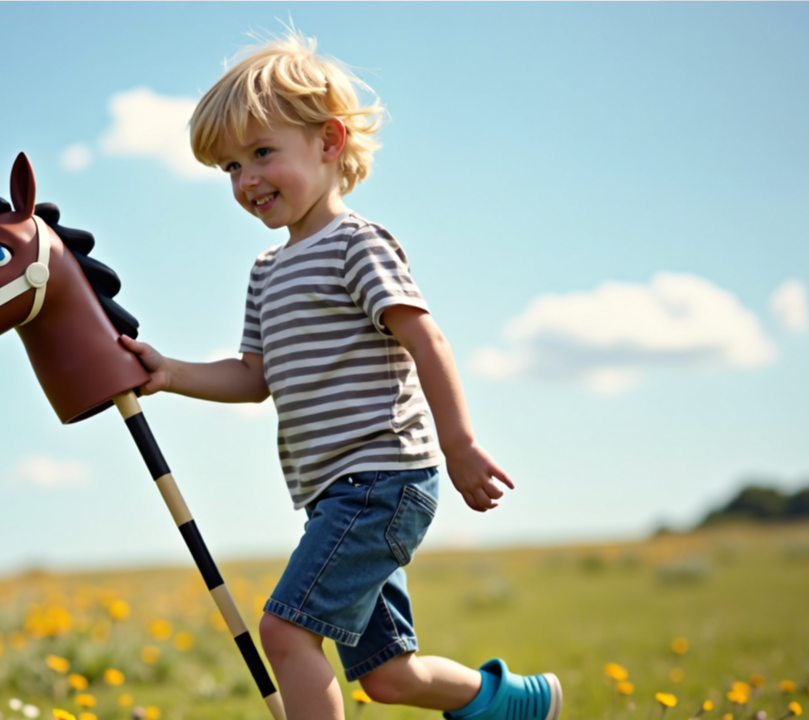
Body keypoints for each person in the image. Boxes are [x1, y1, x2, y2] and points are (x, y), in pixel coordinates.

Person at [119, 31, 562, 720]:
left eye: (262, 153)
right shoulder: (266, 272)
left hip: (382, 480)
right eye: (230, 167)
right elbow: (251, 377)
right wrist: (169, 372)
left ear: (328, 142)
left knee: (284, 631)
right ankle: (512, 703)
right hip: (336, 495)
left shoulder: (356, 244)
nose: (248, 180)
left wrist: (461, 444)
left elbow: (425, 338)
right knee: (386, 674)